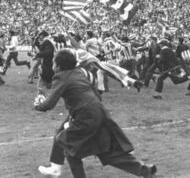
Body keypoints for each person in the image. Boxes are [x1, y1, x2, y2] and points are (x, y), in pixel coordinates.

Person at [34, 49, 157, 178]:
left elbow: (49, 104)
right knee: (105, 151)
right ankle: (145, 171)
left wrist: (38, 105)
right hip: (97, 112)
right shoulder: (79, 72)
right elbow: (95, 92)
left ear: (58, 65)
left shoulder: (61, 77)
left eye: (54, 62)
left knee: (65, 143)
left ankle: (56, 169)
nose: (52, 64)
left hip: (86, 115)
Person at [34, 31, 55, 95]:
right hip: (47, 63)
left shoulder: (47, 41)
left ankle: (42, 98)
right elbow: (36, 43)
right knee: (47, 83)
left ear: (43, 35)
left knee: (41, 84)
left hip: (48, 63)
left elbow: (48, 52)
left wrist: (38, 54)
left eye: (40, 35)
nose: (39, 36)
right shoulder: (47, 41)